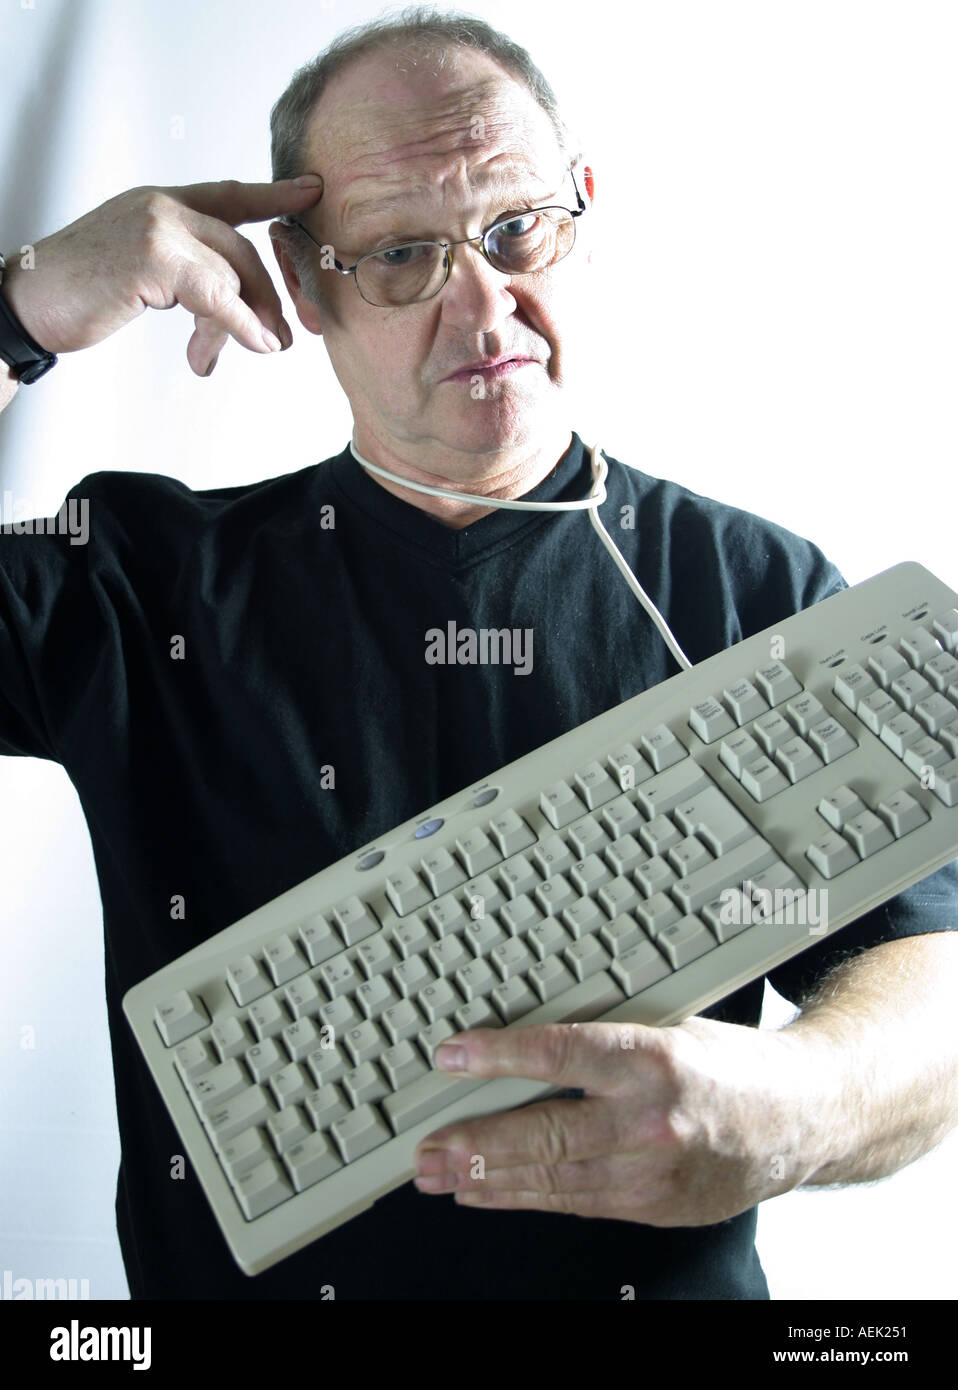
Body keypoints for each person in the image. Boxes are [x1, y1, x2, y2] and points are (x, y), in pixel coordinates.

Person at [1, 8, 956, 1302]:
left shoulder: (756, 588)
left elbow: (924, 969)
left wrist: (802, 1103)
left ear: (582, 210)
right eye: (402, 252)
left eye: (514, 230)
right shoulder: (132, 580)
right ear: (305, 280)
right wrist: (26, 307)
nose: (482, 299)